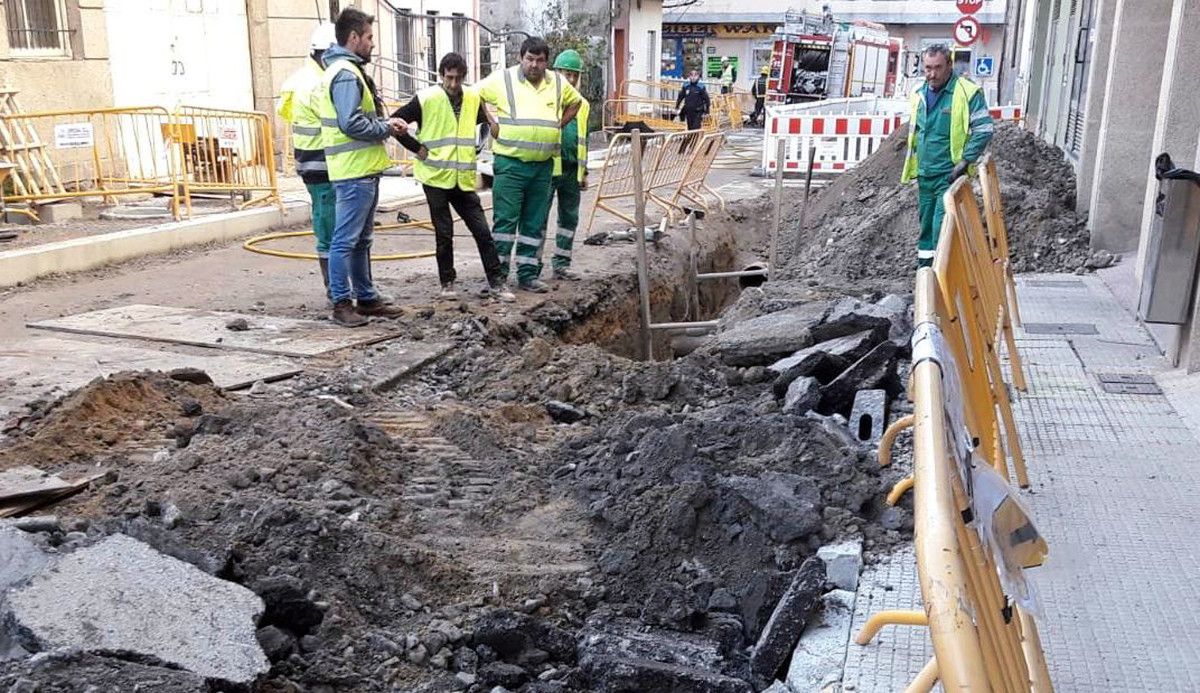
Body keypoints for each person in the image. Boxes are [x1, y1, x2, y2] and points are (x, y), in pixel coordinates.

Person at [390, 53, 515, 303]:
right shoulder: (427, 99)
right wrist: (417, 148)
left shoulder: (472, 97)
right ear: (441, 76)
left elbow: (490, 125)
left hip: (462, 178)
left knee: (481, 230)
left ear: (464, 77)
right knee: (444, 232)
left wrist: (490, 119)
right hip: (435, 176)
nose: (454, 84)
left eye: (458, 78)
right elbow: (394, 122)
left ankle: (497, 282)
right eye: (449, 78)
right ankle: (447, 282)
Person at [478, 36, 583, 293]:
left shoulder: (557, 83)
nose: (534, 65)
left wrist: (557, 124)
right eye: (530, 59)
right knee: (505, 221)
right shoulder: (503, 79)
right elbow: (474, 95)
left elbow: (576, 102)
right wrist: (490, 121)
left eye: (540, 60)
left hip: (542, 166)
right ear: (520, 58)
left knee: (533, 223)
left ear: (546, 62)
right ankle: (498, 277)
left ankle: (527, 274)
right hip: (511, 164)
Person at [900, 44, 994, 268]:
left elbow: (983, 129)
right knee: (925, 229)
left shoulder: (966, 92)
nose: (932, 74)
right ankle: (925, 275)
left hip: (948, 175)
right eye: (927, 68)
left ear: (949, 65)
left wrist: (965, 161)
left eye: (937, 68)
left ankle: (944, 277)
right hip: (925, 174)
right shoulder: (918, 93)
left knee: (940, 225)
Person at [278, 23, 337, 301]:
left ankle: (338, 288)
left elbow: (286, 113)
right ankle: (336, 291)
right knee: (330, 229)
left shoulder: (298, 80)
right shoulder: (318, 85)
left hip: (309, 161)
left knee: (327, 224)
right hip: (322, 163)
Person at [547, 49, 590, 282]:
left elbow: (585, 140)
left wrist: (585, 172)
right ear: (557, 74)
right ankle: (530, 268)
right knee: (538, 218)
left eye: (575, 75)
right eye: (566, 74)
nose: (571, 80)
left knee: (569, 218)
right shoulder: (547, 101)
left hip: (573, 170)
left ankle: (562, 264)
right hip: (549, 168)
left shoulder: (582, 105)